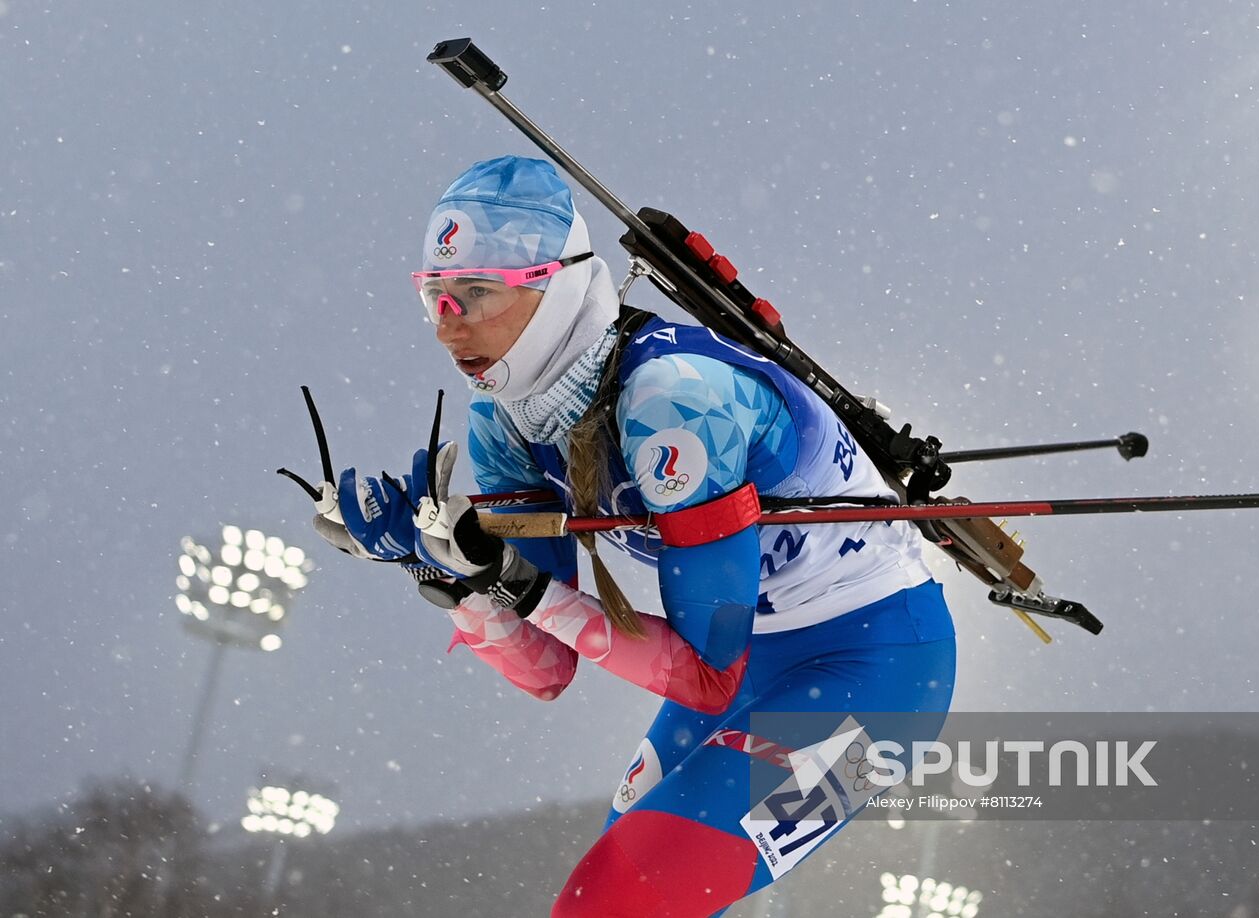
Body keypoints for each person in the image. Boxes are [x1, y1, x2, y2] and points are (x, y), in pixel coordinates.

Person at [312, 155, 957, 917]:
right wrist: (448, 572)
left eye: (478, 294)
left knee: (614, 904)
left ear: (556, 290)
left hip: (880, 683)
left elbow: (704, 676)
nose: (452, 326)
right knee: (618, 901)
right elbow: (545, 669)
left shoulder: (676, 403)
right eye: (437, 299)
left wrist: (509, 580)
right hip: (752, 661)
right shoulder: (504, 421)